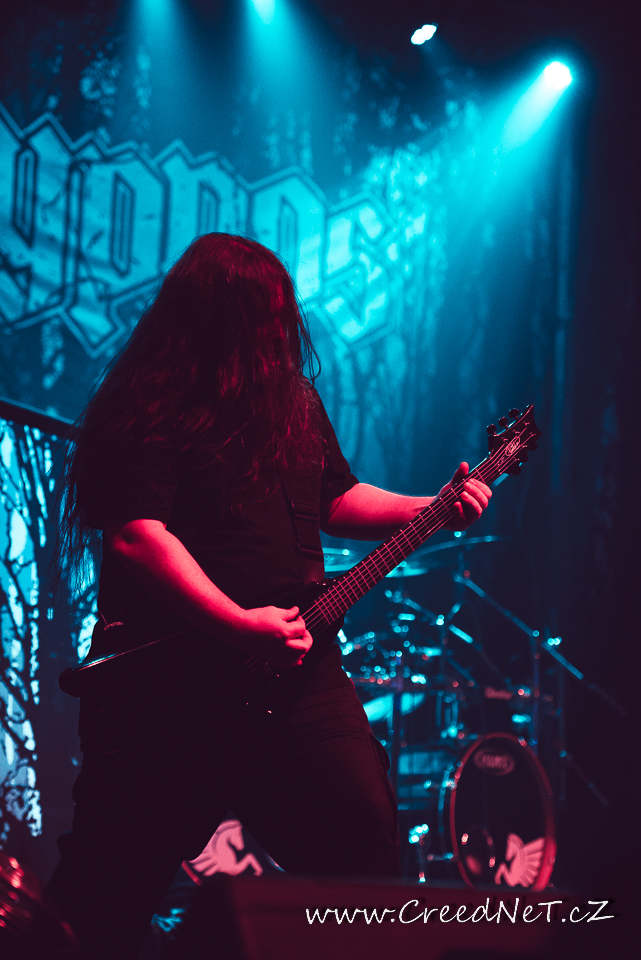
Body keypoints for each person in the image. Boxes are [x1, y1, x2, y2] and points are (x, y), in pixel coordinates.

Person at [47, 234, 491, 959]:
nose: (279, 331)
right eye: (262, 315)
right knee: (104, 896)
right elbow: (136, 536)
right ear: (214, 316)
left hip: (295, 681)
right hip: (168, 693)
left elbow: (337, 498)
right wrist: (238, 623)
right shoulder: (150, 400)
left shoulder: (293, 402)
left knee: (362, 844)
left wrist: (431, 507)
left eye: (281, 315)